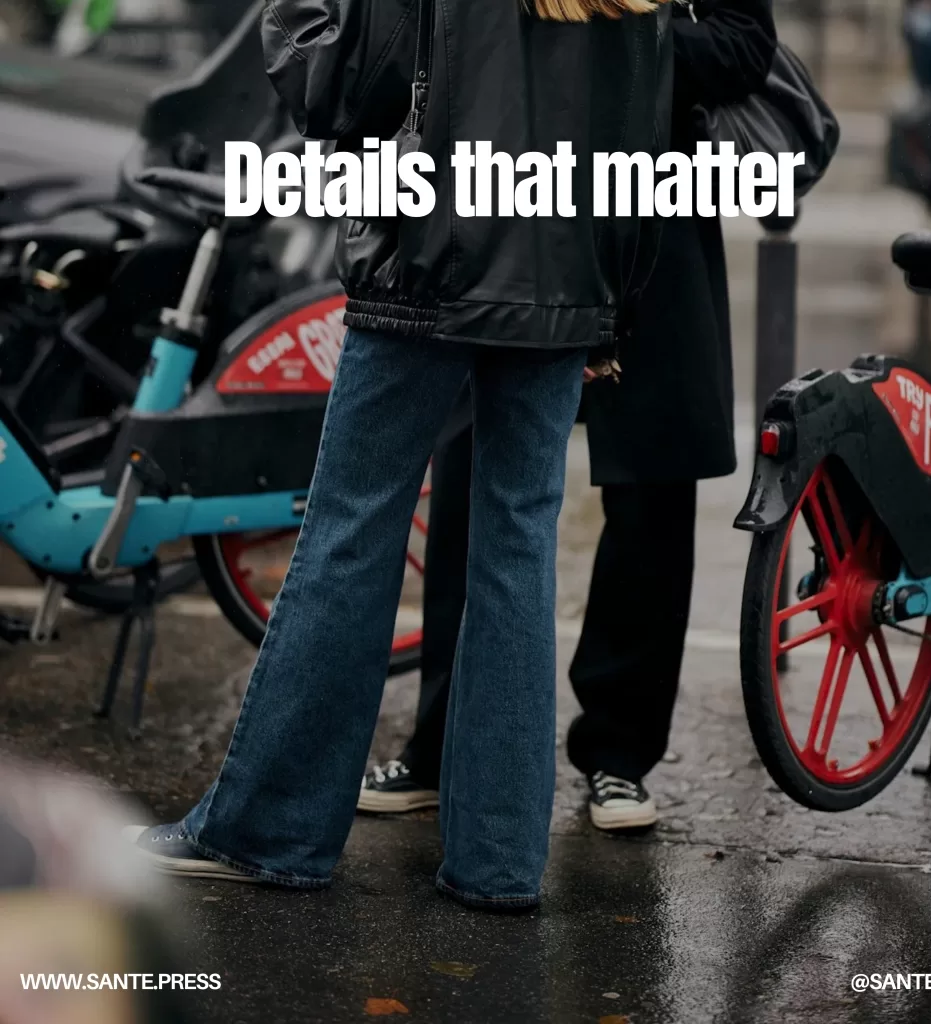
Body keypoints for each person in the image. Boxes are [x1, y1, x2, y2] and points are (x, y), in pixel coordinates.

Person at [128, 0, 675, 913]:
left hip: (432, 251)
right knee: (517, 548)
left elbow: (338, 80)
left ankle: (271, 830)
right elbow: (647, 132)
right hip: (569, 267)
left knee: (353, 522)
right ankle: (498, 861)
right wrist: (613, 297)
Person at [360, 0, 778, 831]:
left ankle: (619, 756)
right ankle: (442, 743)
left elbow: (743, 45)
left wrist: (605, 34)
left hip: (650, 213)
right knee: (474, 470)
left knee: (650, 485)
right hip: (510, 203)